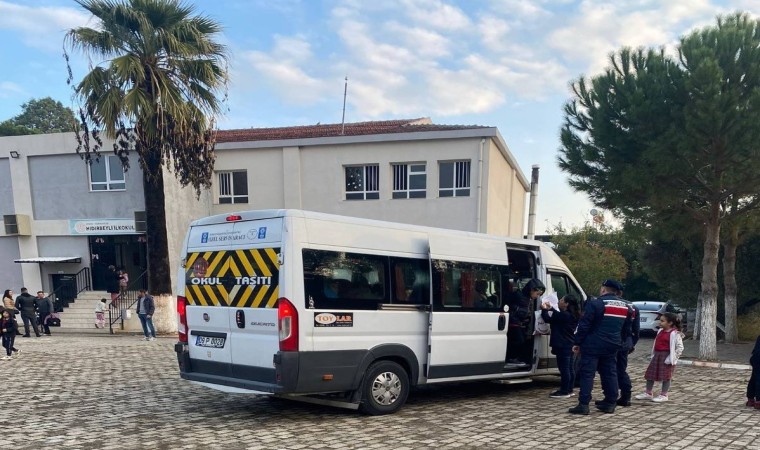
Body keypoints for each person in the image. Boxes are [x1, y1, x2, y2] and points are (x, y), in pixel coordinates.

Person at [568, 279, 630, 415]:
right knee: (610, 373)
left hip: (593, 345)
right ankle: (610, 403)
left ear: (603, 289)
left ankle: (583, 404)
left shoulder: (596, 303)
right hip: (613, 345)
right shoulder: (626, 306)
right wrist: (620, 342)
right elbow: (626, 329)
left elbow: (584, 325)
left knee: (587, 374)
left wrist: (577, 342)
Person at [635, 312, 684, 403]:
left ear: (670, 323)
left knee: (666, 376)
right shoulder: (660, 331)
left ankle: (664, 394)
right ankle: (648, 393)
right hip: (657, 355)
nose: (659, 322)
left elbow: (680, 347)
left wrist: (673, 358)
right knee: (650, 375)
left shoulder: (675, 334)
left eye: (662, 321)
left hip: (666, 357)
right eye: (660, 320)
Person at [541, 294, 580, 398]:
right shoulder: (572, 314)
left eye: (562, 300)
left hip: (562, 345)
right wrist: (551, 308)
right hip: (570, 344)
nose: (559, 301)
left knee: (564, 369)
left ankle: (564, 391)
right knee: (570, 368)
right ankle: (569, 389)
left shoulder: (564, 315)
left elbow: (548, 319)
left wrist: (544, 309)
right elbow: (557, 316)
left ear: (566, 304)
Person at [609, 282, 639, 407]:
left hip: (613, 342)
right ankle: (625, 396)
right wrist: (631, 344)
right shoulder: (633, 307)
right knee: (621, 370)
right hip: (625, 342)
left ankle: (616, 396)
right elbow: (636, 330)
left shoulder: (610, 304)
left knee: (613, 370)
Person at [507, 278, 545, 365]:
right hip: (514, 323)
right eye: (537, 294)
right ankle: (512, 358)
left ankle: (515, 358)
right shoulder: (519, 296)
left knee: (522, 340)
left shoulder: (527, 298)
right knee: (518, 341)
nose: (537, 296)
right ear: (531, 290)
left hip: (520, 323)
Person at [747, 335, 760, 409]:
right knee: (758, 378)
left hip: (755, 357)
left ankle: (751, 399)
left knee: (754, 377)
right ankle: (758, 401)